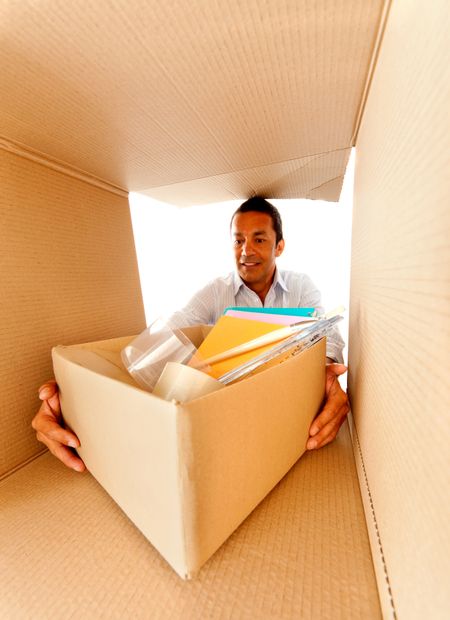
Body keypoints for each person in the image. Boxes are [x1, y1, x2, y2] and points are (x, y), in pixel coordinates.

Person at [33, 197, 350, 473]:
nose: (246, 251)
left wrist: (326, 374)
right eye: (238, 240)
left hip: (285, 418)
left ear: (279, 246)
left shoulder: (302, 286)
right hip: (228, 420)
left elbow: (328, 332)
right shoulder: (216, 292)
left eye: (259, 240)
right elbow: (171, 330)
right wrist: (77, 390)